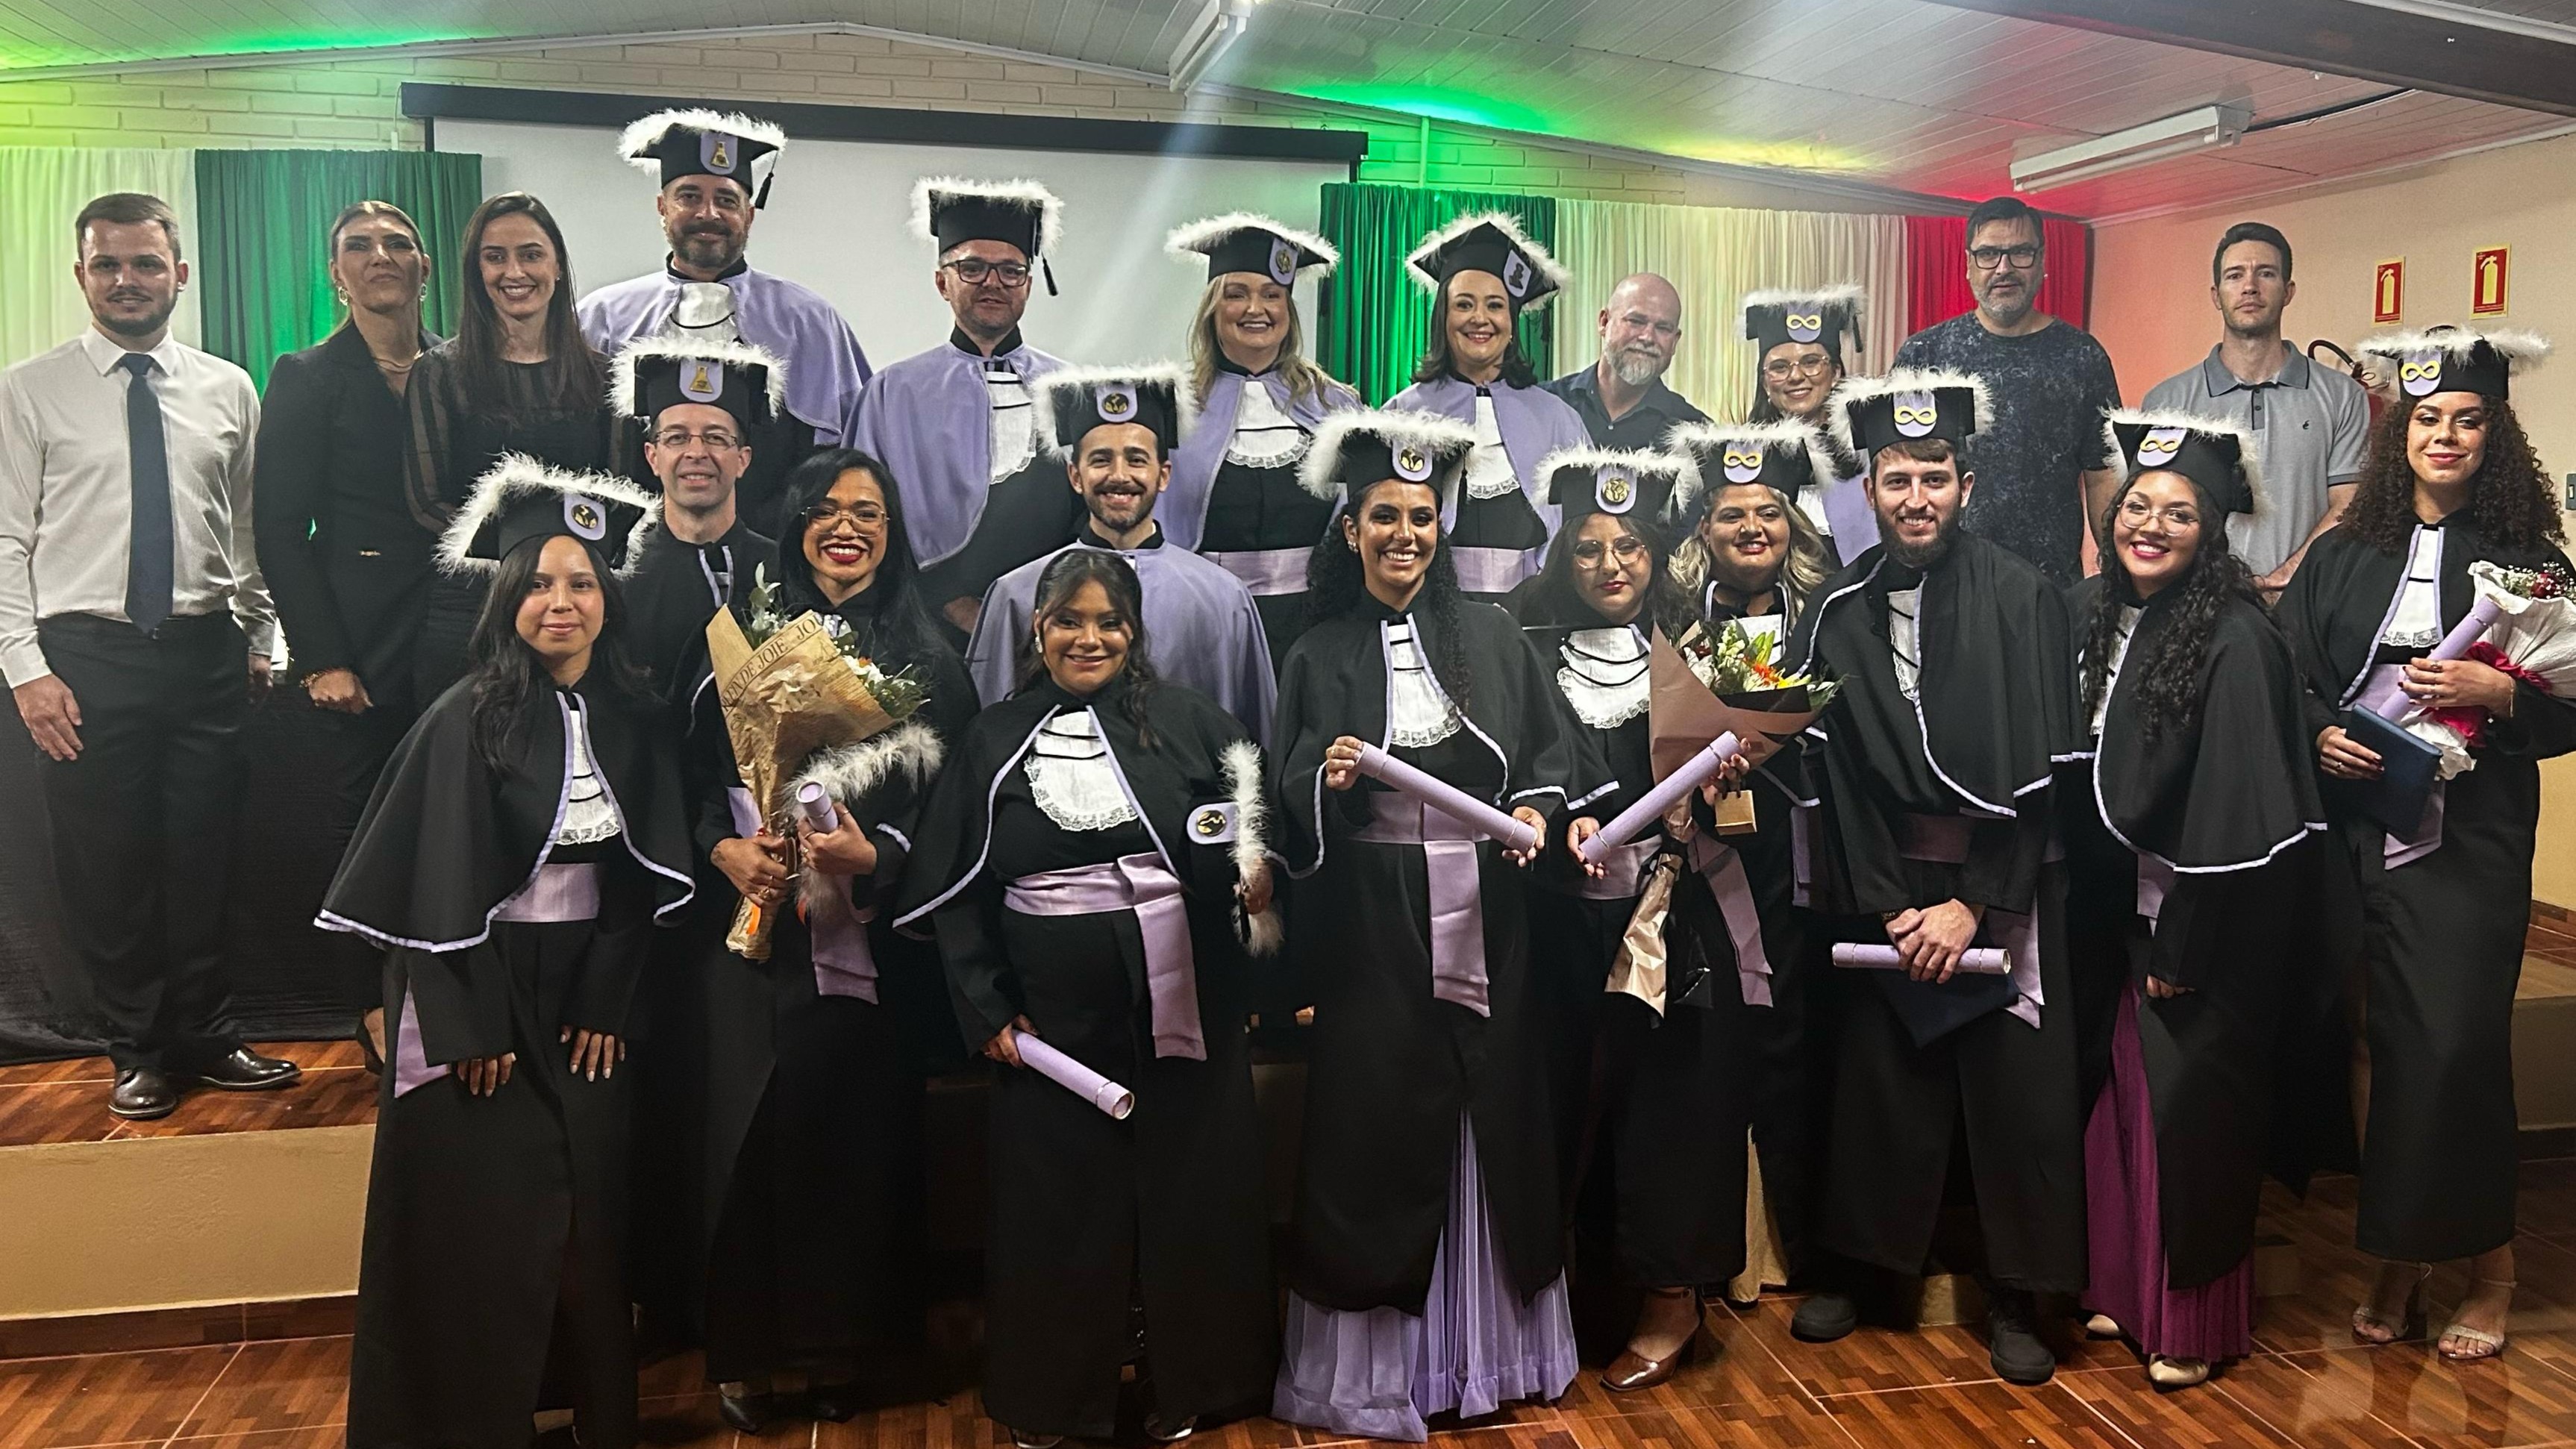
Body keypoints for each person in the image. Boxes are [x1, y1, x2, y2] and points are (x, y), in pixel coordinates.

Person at [319, 459, 694, 1449]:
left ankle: (590, 1416)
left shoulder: (633, 717)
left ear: (608, 599)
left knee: (585, 1221)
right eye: (537, 583)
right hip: (474, 993)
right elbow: (432, 892)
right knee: (483, 1227)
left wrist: (607, 1000)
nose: (559, 602)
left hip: (582, 997)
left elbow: (635, 882)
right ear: (506, 599)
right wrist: (469, 1023)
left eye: (581, 583)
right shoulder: (465, 716)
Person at [894, 548, 1281, 1448]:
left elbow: (1251, 836)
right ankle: (1052, 1400)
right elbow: (955, 894)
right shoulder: (992, 737)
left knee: (1191, 1189)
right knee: (1055, 1207)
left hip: (1183, 1003)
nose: (1088, 638)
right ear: (1036, 628)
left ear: (1134, 632)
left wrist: (1256, 879)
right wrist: (985, 1008)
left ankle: (1196, 1381)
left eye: (1109, 622)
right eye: (1068, 620)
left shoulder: (1194, 722)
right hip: (1049, 1024)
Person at [1269, 409, 1589, 1440]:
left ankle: (1485, 1354)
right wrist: (1323, 782)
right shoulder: (1315, 651)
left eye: (1419, 517)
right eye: (1383, 517)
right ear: (1350, 529)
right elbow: (1285, 791)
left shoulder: (1492, 635)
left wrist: (1534, 809)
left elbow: (1546, 756)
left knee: (1492, 1108)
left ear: (1439, 527)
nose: (1403, 534)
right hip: (1373, 923)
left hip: (1491, 913)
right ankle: (1381, 1374)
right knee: (1376, 1124)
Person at [2280, 325, 2575, 1363]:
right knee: (2369, 1040)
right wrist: (2318, 731)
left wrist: (2501, 692)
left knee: (2455, 1043)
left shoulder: (2536, 565)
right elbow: (2289, 670)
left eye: (2467, 420)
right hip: (2353, 826)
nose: (2443, 436)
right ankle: (2397, 1254)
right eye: (2426, 419)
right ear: (2399, 431)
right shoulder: (2343, 553)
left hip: (2468, 839)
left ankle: (2490, 1270)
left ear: (2496, 436)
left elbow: (2571, 703)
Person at [1784, 369, 2083, 1386]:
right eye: (1898, 478)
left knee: (2015, 1096)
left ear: (1966, 484)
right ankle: (1865, 1273)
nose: (1917, 498)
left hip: (2005, 875)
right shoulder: (1836, 608)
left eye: (1935, 477)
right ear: (1868, 487)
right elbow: (1837, 775)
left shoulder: (2024, 593)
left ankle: (2020, 1293)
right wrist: (1894, 905)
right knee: (1879, 1082)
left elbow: (2045, 769)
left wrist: (1974, 903)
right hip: (1890, 879)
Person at [677, 448, 975, 1432]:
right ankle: (751, 1355)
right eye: (827, 509)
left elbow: (956, 806)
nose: (847, 527)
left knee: (858, 1144)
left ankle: (850, 1349)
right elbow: (681, 775)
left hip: (871, 950)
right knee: (747, 1137)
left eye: (869, 512)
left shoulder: (930, 658)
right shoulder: (735, 639)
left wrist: (875, 855)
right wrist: (724, 847)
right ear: (796, 520)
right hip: (753, 939)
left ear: (893, 534)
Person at [0, 192, 298, 1121]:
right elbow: (5, 539)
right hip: (85, 656)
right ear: (80, 274)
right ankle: (137, 1049)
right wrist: (26, 670)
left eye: (144, 263)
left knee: (206, 857)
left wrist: (259, 636)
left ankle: (207, 1034)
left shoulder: (229, 387)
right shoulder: (27, 390)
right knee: (109, 866)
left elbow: (249, 530)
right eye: (108, 264)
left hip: (207, 650)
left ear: (180, 273)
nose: (126, 280)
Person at [2066, 412, 2326, 1390]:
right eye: (2137, 505)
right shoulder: (2094, 612)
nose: (2151, 525)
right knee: (2124, 1100)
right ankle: (2123, 1289)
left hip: (2202, 924)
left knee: (2194, 1119)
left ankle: (2191, 1322)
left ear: (2211, 530)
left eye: (2178, 513)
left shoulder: (2236, 637)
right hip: (2116, 914)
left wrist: (2185, 941)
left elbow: (2236, 814)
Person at [1509, 447, 1760, 1393]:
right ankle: (1564, 1300)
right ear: (1562, 556)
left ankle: (1671, 1299)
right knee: (1563, 1105)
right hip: (1556, 920)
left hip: (1673, 917)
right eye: (1588, 548)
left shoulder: (1709, 649)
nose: (1610, 565)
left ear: (1656, 555)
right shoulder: (1523, 649)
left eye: (1628, 548)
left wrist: (1730, 790)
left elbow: (1751, 814)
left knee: (1671, 1111)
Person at [251, 198, 442, 1069]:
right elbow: (279, 529)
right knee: (359, 831)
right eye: (359, 246)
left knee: (448, 820)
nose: (380, 255)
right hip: (356, 641)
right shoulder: (305, 374)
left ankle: (447, 995)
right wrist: (321, 656)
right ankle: (368, 1004)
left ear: (424, 268)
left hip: (450, 627)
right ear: (337, 273)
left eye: (398, 243)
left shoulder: (456, 368)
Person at [1658, 418, 1837, 1298]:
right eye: (1731, 515)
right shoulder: (1672, 621)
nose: (1751, 529)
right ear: (1704, 528)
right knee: (1715, 1046)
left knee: (1795, 1045)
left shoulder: (1827, 618)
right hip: (1707, 860)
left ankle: (1794, 1247)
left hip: (1803, 862)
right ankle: (1714, 1254)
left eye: (1767, 512)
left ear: (1790, 523)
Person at [579, 110, 872, 536]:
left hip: (776, 549)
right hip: (635, 552)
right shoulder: (603, 316)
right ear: (662, 207)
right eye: (689, 196)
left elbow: (847, 456)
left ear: (749, 214)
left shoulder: (810, 320)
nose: (709, 213)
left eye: (727, 200)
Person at [964, 363, 1276, 743]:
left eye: (1136, 459)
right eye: (1101, 460)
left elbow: (1255, 740)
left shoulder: (1224, 598)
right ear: (1075, 476)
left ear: (1164, 474)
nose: (1119, 475)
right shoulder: (1017, 593)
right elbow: (987, 735)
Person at [404, 192, 613, 703]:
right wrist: (528, 568)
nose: (514, 271)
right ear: (477, 272)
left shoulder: (604, 375)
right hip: (471, 610)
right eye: (495, 257)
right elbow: (427, 502)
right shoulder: (439, 372)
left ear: (557, 267)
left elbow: (621, 497)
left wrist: (556, 580)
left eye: (531, 254)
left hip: (574, 613)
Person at [853, 178, 1076, 637]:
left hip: (1052, 624)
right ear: (942, 282)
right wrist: (949, 602)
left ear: (1028, 285)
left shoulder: (1069, 389)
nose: (993, 283)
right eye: (972, 268)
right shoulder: (893, 391)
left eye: (1011, 271)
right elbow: (864, 513)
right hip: (924, 622)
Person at [1160, 213, 1363, 663]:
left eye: (1272, 295)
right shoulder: (1173, 406)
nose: (1257, 309)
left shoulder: (1336, 405)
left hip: (1317, 623)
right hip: (1207, 620)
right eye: (1237, 294)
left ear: (1288, 310)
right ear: (1213, 309)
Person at [1894, 197, 2121, 586]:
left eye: (2020, 253)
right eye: (1988, 254)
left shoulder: (2082, 356)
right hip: (1941, 581)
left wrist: (2117, 572)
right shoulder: (1925, 354)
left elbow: (2102, 475)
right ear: (1968, 265)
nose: (2004, 268)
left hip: (2049, 585)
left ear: (2042, 260)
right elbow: (1895, 471)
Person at [2142, 222, 2370, 593]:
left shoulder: (2343, 396)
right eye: (2235, 275)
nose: (2250, 286)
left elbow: (2348, 505)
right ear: (2216, 295)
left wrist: (2286, 577)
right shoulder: (2167, 402)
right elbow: (2157, 516)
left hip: (2301, 600)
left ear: (2288, 291)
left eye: (2266, 273)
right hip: (2194, 603)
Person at [1387, 213, 1591, 602]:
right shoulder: (1402, 414)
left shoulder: (1558, 420)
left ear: (1511, 323)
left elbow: (1585, 534)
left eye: (1495, 306)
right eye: (1464, 304)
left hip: (1531, 615)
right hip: (1430, 608)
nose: (1479, 319)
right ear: (1443, 318)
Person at [608, 337, 783, 707]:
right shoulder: (619, 575)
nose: (697, 453)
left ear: (743, 459)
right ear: (653, 457)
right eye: (677, 438)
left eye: (716, 438)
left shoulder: (786, 568)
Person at [1739, 286, 1870, 557]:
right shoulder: (1742, 459)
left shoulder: (1867, 449)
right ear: (1765, 383)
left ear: (1835, 373)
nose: (1796, 377)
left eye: (1811, 362)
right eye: (1779, 367)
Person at [1542, 273, 1708, 451]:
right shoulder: (1543, 405)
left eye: (1662, 328)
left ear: (1675, 341)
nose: (1648, 337)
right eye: (1636, 321)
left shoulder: (1697, 435)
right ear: (1604, 322)